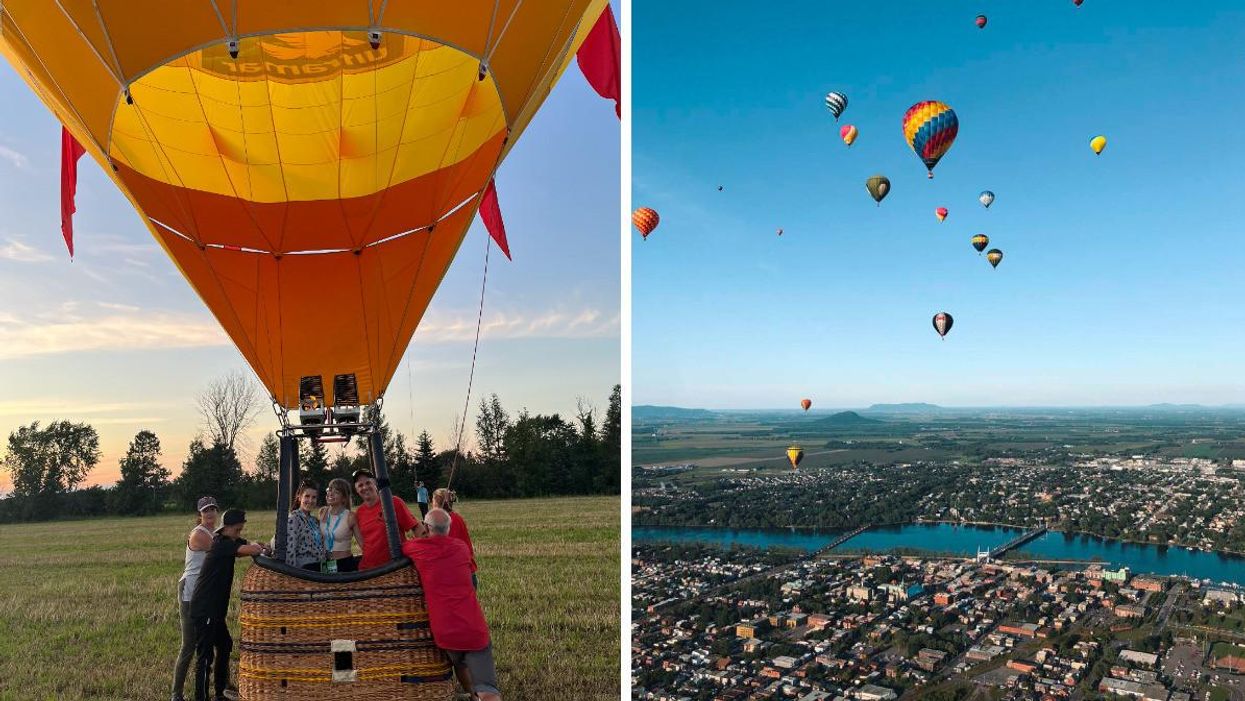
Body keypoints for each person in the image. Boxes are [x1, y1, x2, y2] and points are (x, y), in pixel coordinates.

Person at [403, 509, 500, 701]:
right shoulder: (461, 547)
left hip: (444, 632)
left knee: (459, 662)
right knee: (488, 690)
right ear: (448, 528)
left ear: (427, 527)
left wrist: (421, 535)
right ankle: (481, 694)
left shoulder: (417, 549)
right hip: (473, 629)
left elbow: (403, 547)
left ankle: (472, 694)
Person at [190, 509, 269, 701]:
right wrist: (260, 548)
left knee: (225, 644)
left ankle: (221, 691)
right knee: (205, 657)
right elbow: (250, 549)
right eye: (237, 530)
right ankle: (201, 697)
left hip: (216, 610)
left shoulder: (230, 540)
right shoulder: (221, 544)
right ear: (227, 528)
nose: (239, 533)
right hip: (205, 608)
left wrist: (260, 545)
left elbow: (249, 544)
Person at [171, 496, 218, 701]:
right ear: (200, 513)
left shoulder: (214, 532)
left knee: (213, 640)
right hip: (189, 592)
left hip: (204, 593)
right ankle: (176, 694)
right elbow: (222, 549)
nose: (210, 513)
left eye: (212, 509)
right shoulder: (199, 534)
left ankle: (221, 686)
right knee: (189, 644)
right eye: (206, 510)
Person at [352, 468, 425, 570]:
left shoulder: (393, 502)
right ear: (356, 490)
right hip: (368, 569)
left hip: (394, 568)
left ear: (375, 483)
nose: (365, 487)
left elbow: (416, 527)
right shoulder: (359, 512)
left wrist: (426, 550)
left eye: (368, 483)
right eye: (360, 485)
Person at [432, 488, 478, 586]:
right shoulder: (457, 518)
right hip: (468, 573)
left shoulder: (443, 523)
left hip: (458, 577)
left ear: (436, 503)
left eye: (432, 501)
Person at [319, 477, 364, 572]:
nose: (330, 494)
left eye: (336, 492)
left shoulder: (350, 516)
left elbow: (362, 544)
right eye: (329, 490)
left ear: (344, 498)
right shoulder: (322, 512)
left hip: (344, 563)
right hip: (326, 563)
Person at [277, 480, 324, 571]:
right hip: (305, 569)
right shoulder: (294, 518)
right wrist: (292, 574)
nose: (310, 500)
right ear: (299, 497)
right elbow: (290, 550)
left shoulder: (314, 521)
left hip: (319, 567)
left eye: (314, 497)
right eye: (307, 496)